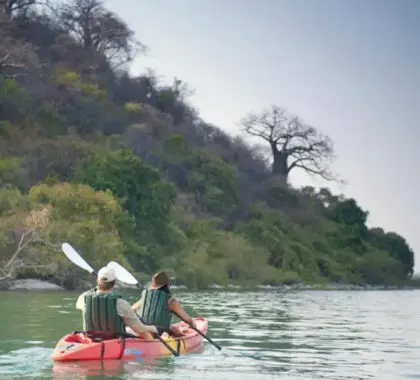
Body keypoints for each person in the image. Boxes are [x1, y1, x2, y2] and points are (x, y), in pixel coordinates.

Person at [76, 266, 158, 339]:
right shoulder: (121, 303)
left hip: (91, 337)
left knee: (130, 329)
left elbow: (78, 306)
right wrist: (151, 328)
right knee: (144, 332)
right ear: (114, 283)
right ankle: (154, 347)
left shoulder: (84, 298)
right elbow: (139, 328)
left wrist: (98, 287)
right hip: (114, 339)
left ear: (98, 281)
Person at [131, 271, 196, 338]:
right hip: (160, 331)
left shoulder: (144, 299)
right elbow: (187, 319)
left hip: (143, 329)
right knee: (172, 330)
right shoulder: (171, 301)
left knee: (172, 327)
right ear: (167, 285)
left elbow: (131, 310)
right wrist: (192, 325)